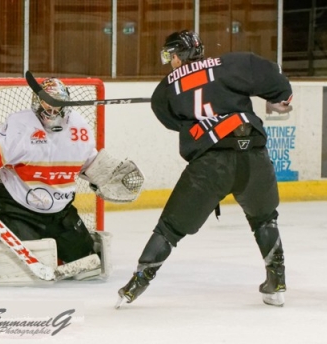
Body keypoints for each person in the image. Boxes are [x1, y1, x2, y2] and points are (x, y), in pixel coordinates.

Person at [117, 30, 293, 307]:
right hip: (253, 155)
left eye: (170, 56)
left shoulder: (164, 89)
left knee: (169, 229)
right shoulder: (231, 64)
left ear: (177, 56)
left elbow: (172, 120)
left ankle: (138, 281)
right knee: (264, 219)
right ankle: (277, 281)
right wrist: (282, 96)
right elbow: (272, 78)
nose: (170, 62)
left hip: (211, 163)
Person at [0, 78, 142, 278]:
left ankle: (59, 247)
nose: (51, 111)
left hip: (61, 212)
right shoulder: (20, 125)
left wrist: (107, 176)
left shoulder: (79, 127)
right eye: (46, 105)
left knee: (86, 261)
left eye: (57, 106)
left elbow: (88, 163)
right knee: (23, 268)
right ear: (37, 104)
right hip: (17, 208)